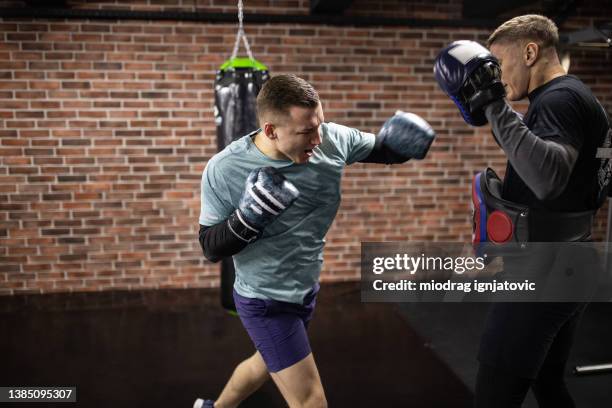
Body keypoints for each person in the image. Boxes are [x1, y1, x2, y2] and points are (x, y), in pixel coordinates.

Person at [195, 74, 435, 408]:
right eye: (307, 132)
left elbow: (382, 149)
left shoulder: (332, 139)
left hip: (304, 289)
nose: (318, 139)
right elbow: (209, 246)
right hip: (265, 300)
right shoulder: (225, 169)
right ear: (270, 131)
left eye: (319, 124)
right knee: (310, 400)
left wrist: (398, 147)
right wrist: (247, 218)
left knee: (263, 363)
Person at [434, 14, 612, 407]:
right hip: (573, 261)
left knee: (493, 397)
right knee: (548, 384)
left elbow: (547, 177)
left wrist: (494, 105)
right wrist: (499, 114)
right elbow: (556, 163)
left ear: (530, 51)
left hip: (544, 273)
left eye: (499, 65)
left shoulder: (558, 100)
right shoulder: (575, 97)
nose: (496, 77)